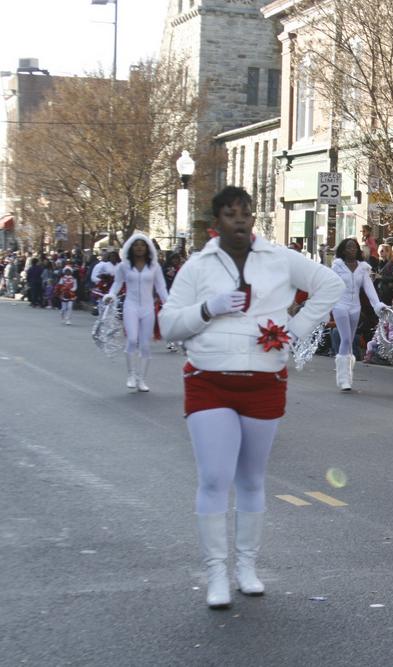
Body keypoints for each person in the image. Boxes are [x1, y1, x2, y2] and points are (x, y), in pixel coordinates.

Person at [160, 186, 344, 609]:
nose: (240, 221)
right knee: (214, 478)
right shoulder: (198, 265)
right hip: (209, 381)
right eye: (230, 214)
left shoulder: (279, 259)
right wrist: (209, 308)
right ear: (216, 221)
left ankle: (246, 568)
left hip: (264, 382)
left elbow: (329, 285)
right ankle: (215, 574)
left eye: (245, 214)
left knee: (251, 479)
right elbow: (169, 324)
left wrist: (295, 332)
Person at [104, 233, 169, 392]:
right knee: (132, 339)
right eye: (136, 244)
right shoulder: (123, 266)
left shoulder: (155, 267)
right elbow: (117, 284)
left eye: (142, 245)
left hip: (148, 308)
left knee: (145, 344)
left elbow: (161, 288)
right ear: (131, 248)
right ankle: (131, 374)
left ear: (147, 248)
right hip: (130, 306)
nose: (139, 247)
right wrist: (111, 295)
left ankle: (142, 379)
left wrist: (169, 303)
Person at [330, 237, 388, 391]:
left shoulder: (363, 268)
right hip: (340, 306)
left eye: (354, 247)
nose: (352, 250)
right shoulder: (337, 266)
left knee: (350, 340)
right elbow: (330, 286)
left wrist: (377, 304)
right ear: (343, 250)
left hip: (355, 307)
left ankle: (348, 375)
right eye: (348, 247)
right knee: (346, 338)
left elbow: (369, 288)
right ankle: (343, 378)